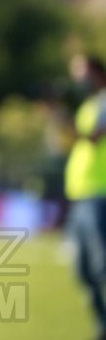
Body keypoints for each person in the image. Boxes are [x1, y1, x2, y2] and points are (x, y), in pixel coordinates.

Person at [65, 55, 106, 340]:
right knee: (83, 269)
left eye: (81, 73)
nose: (77, 80)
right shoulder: (88, 106)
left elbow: (92, 138)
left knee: (102, 264)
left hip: (100, 194)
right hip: (80, 196)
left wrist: (61, 117)